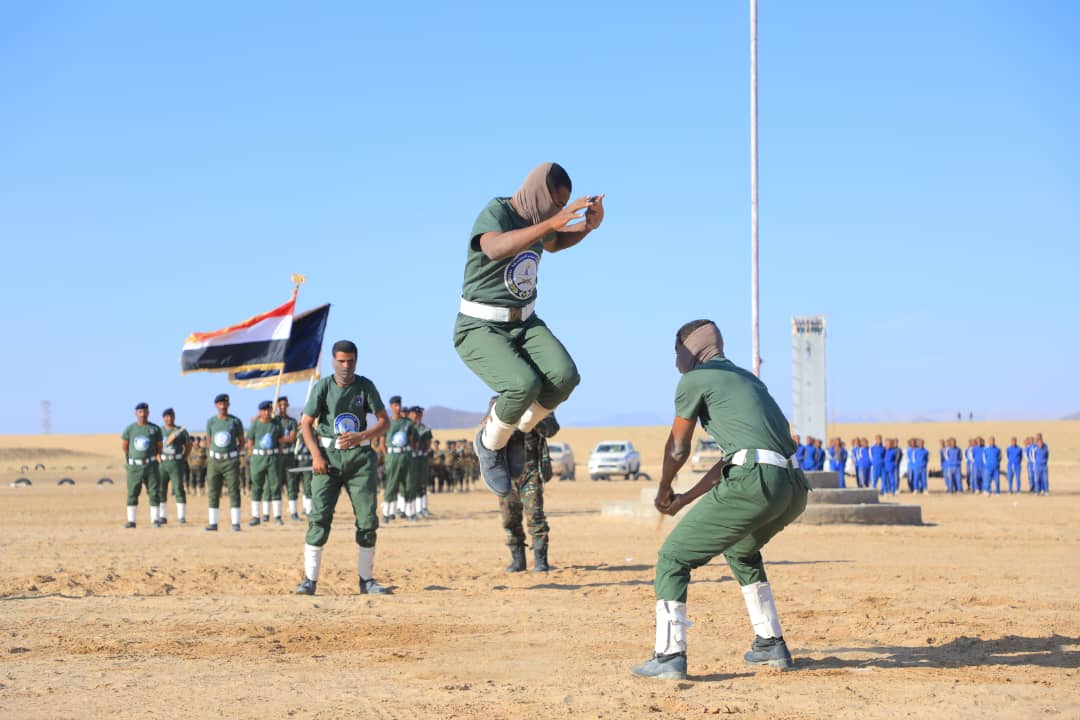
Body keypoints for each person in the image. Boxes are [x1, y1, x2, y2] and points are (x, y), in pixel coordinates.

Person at [631, 320, 809, 681]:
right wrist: (682, 501)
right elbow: (735, 457)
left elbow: (678, 445)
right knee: (742, 549)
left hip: (756, 480)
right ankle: (770, 643)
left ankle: (669, 656)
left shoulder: (694, 380)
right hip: (792, 486)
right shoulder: (748, 379)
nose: (675, 361)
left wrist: (663, 487)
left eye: (676, 351)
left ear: (689, 349)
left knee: (673, 557)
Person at [455, 162, 603, 496]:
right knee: (523, 384)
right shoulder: (498, 211)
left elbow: (555, 243)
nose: (559, 211)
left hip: (524, 322)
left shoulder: (540, 219)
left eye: (563, 206)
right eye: (556, 204)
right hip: (480, 326)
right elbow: (494, 247)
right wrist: (550, 222)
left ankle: (513, 432)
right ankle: (489, 445)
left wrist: (588, 227)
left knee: (565, 377)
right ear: (538, 195)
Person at [295, 340, 391, 596]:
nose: (346, 366)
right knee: (319, 518)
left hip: (359, 460)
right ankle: (309, 581)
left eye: (350, 361)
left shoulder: (365, 386)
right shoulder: (323, 387)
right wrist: (316, 455)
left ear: (356, 361)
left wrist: (362, 436)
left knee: (367, 520)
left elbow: (384, 421)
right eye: (341, 361)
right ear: (333, 361)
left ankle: (367, 580)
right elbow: (305, 424)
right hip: (327, 460)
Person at [501, 414, 560, 572]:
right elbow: (486, 433)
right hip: (507, 474)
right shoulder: (500, 404)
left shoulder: (540, 406)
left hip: (530, 472)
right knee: (509, 519)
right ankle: (518, 561)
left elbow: (552, 429)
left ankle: (541, 561)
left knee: (535, 515)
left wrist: (534, 416)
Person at [205, 393, 245, 532]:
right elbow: (209, 441)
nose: (223, 405)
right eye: (220, 403)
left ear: (228, 405)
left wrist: (234, 455)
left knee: (234, 490)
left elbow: (242, 441)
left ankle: (236, 523)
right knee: (213, 491)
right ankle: (213, 523)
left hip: (230, 461)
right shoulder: (211, 422)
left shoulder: (235, 421)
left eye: (225, 403)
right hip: (214, 461)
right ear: (216, 405)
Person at [121, 402, 163, 528]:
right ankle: (131, 520)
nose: (143, 414)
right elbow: (124, 447)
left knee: (154, 492)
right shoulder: (130, 429)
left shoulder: (155, 429)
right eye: (140, 412)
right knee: (132, 492)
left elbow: (159, 447)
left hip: (150, 465)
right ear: (136, 413)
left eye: (145, 411)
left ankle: (155, 519)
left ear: (148, 413)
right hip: (135, 466)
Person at [246, 400, 284, 526]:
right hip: (258, 458)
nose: (267, 412)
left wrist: (278, 454)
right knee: (257, 486)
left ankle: (277, 516)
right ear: (260, 412)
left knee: (275, 486)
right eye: (264, 410)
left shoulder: (276, 424)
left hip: (272, 458)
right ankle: (256, 516)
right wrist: (254, 456)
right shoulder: (255, 425)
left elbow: (280, 440)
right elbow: (250, 442)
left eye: (269, 410)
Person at [381, 396, 414, 523]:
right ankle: (387, 512)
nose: (398, 407)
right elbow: (382, 443)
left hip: (405, 455)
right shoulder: (386, 423)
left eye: (399, 405)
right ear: (391, 407)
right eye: (395, 405)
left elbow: (412, 439)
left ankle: (404, 510)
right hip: (392, 456)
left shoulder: (407, 423)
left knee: (406, 483)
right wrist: (387, 456)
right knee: (391, 484)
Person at [159, 408, 191, 524]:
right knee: (161, 489)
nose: (169, 419)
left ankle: (181, 517)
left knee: (178, 489)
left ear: (174, 417)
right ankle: (162, 516)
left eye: (171, 416)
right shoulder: (159, 431)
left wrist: (184, 456)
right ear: (163, 418)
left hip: (176, 463)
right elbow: (155, 445)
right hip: (162, 463)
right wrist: (157, 456)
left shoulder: (180, 431)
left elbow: (188, 445)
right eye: (167, 416)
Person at [275, 396, 301, 521]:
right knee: (276, 485)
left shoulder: (291, 422)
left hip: (289, 455)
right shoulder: (274, 421)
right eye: (280, 405)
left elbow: (292, 438)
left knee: (292, 485)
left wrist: (279, 439)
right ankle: (277, 515)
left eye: (285, 405)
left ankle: (294, 513)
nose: (283, 407)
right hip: (277, 457)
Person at [411, 406, 433, 518]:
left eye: (419, 415)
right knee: (411, 483)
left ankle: (422, 508)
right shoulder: (407, 427)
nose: (417, 416)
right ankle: (410, 509)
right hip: (409, 458)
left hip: (421, 457)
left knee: (422, 482)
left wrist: (423, 452)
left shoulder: (425, 429)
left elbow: (428, 443)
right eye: (415, 414)